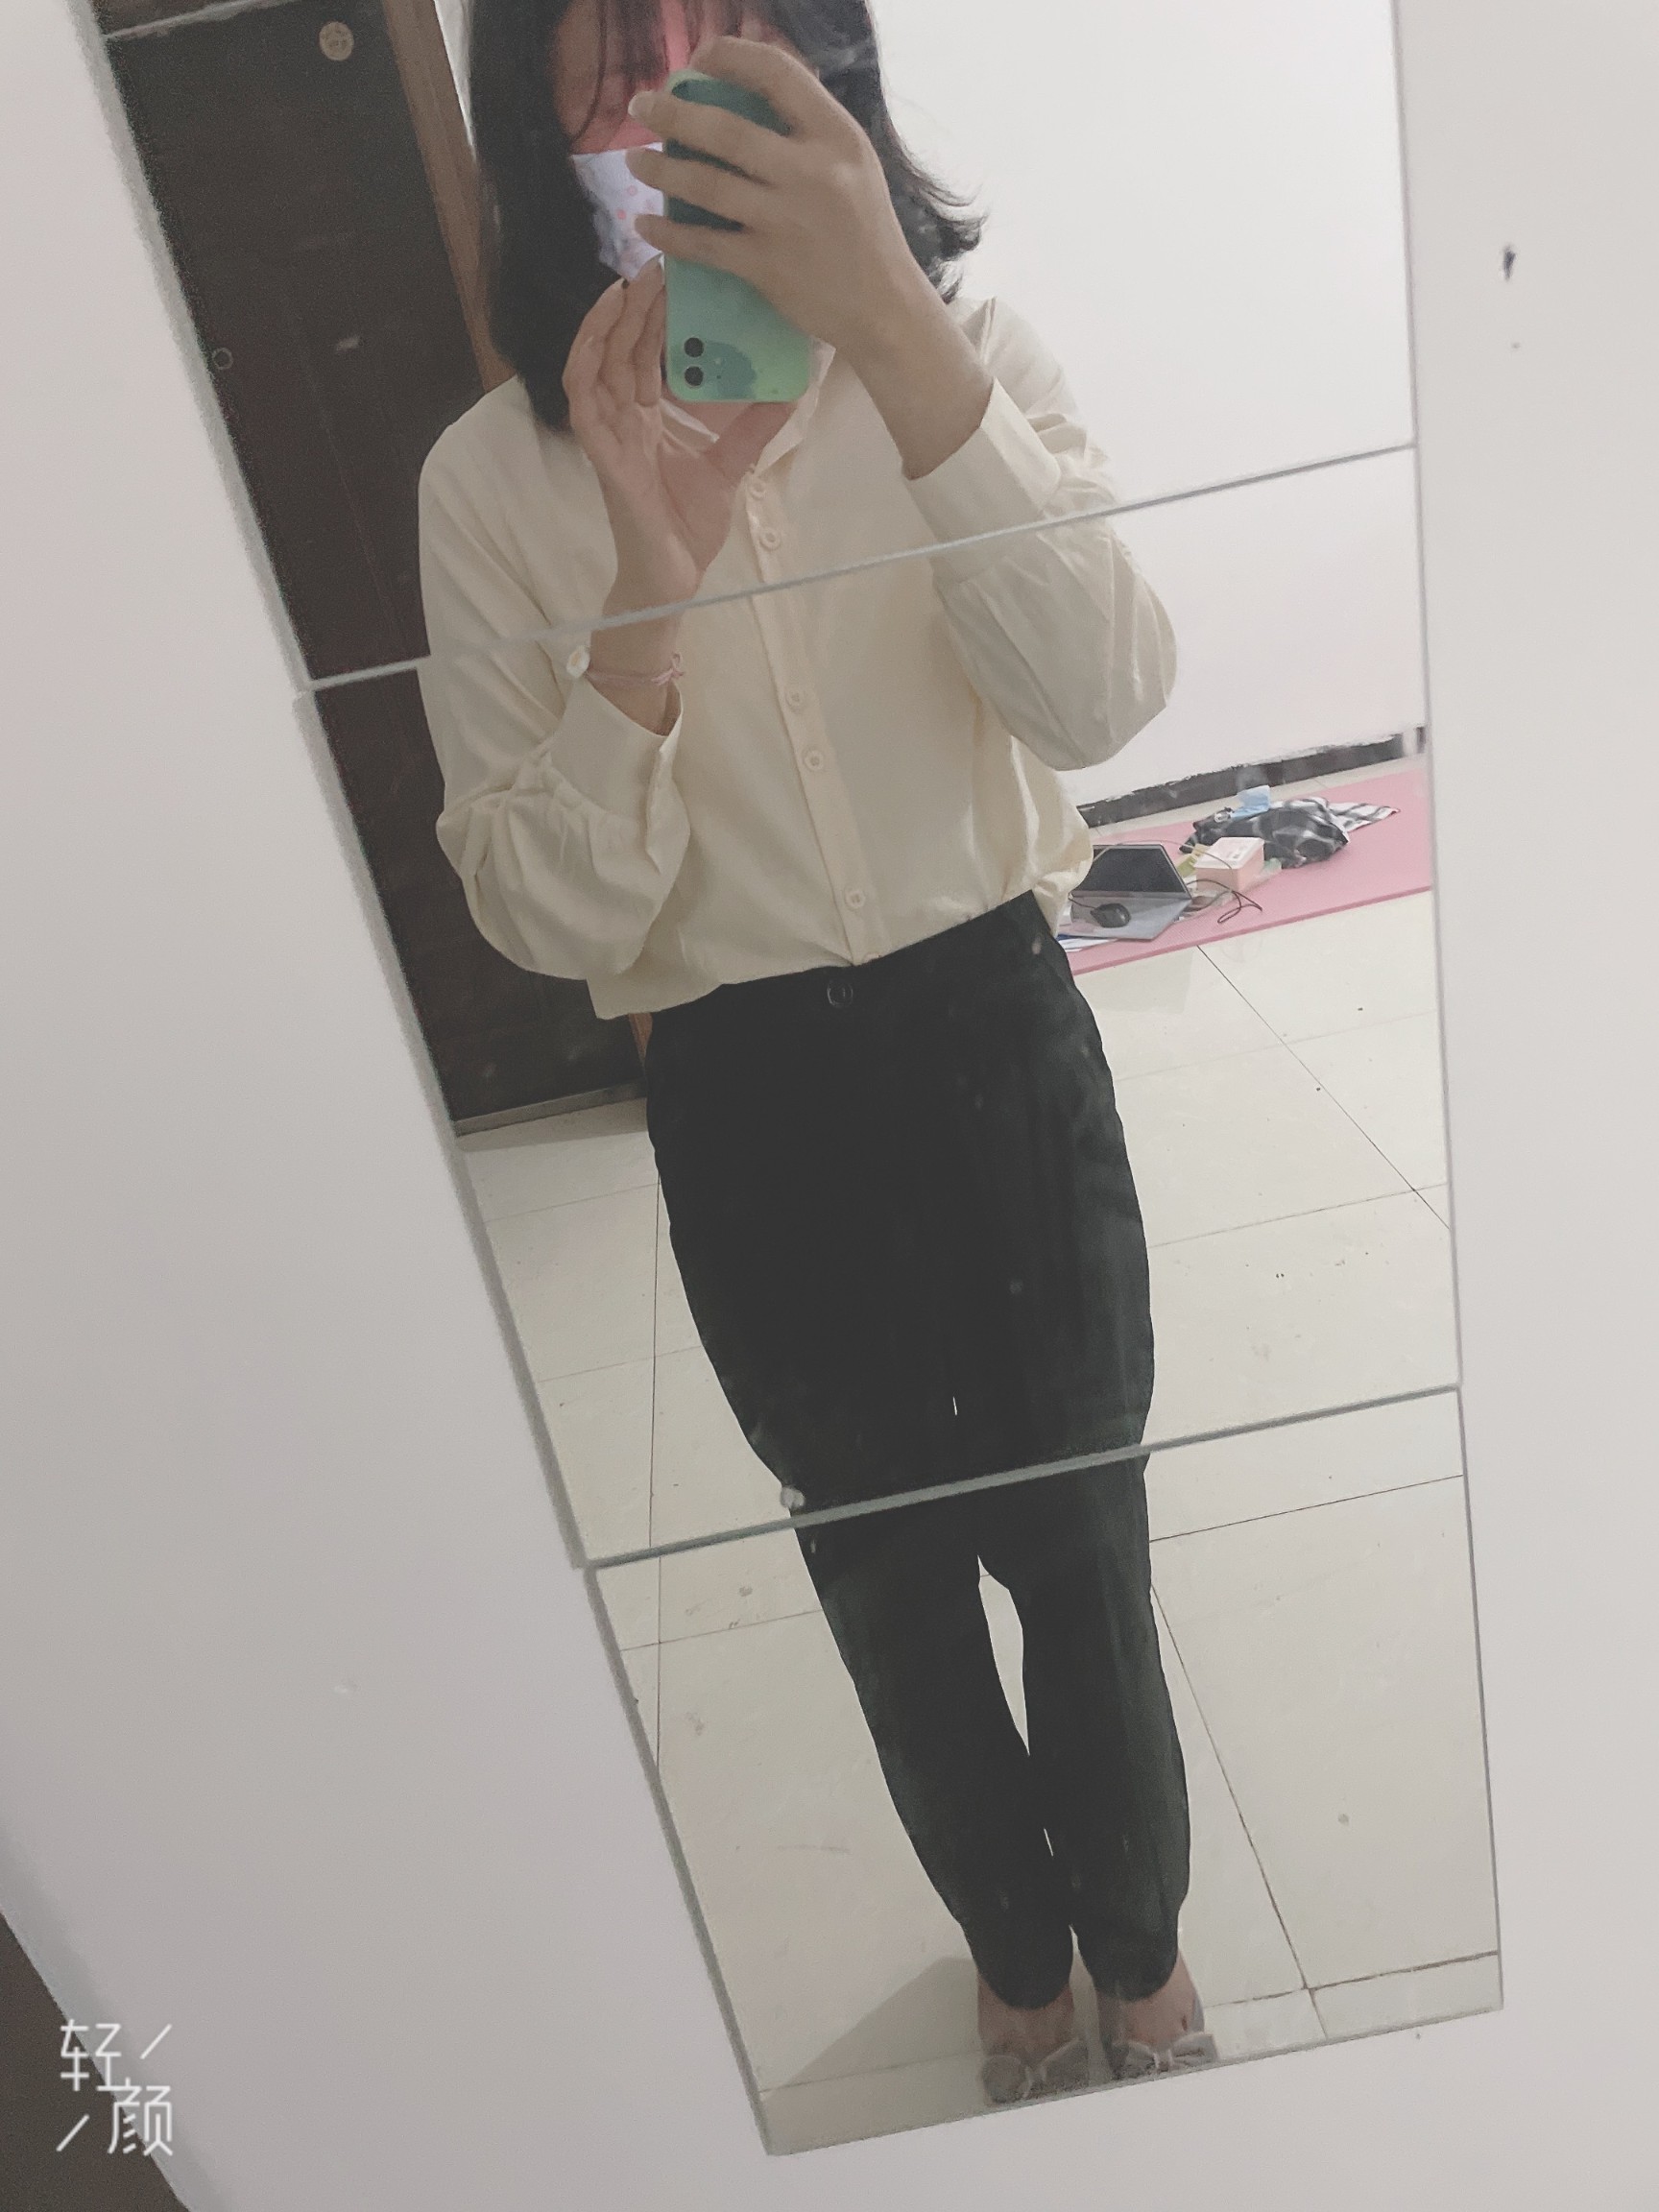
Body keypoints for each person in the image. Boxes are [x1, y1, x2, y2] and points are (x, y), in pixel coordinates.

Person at [417, 0, 1219, 2104]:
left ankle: (1143, 1958)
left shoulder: (974, 357)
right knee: (888, 1589)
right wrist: (646, 595)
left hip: (993, 1019)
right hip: (747, 1089)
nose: (676, 89)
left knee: (1088, 1548)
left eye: (734, 30)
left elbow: (1107, 696)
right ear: (532, 120)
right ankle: (1020, 1964)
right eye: (616, 53)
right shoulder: (491, 483)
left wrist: (906, 348)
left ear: (829, 67)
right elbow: (543, 918)